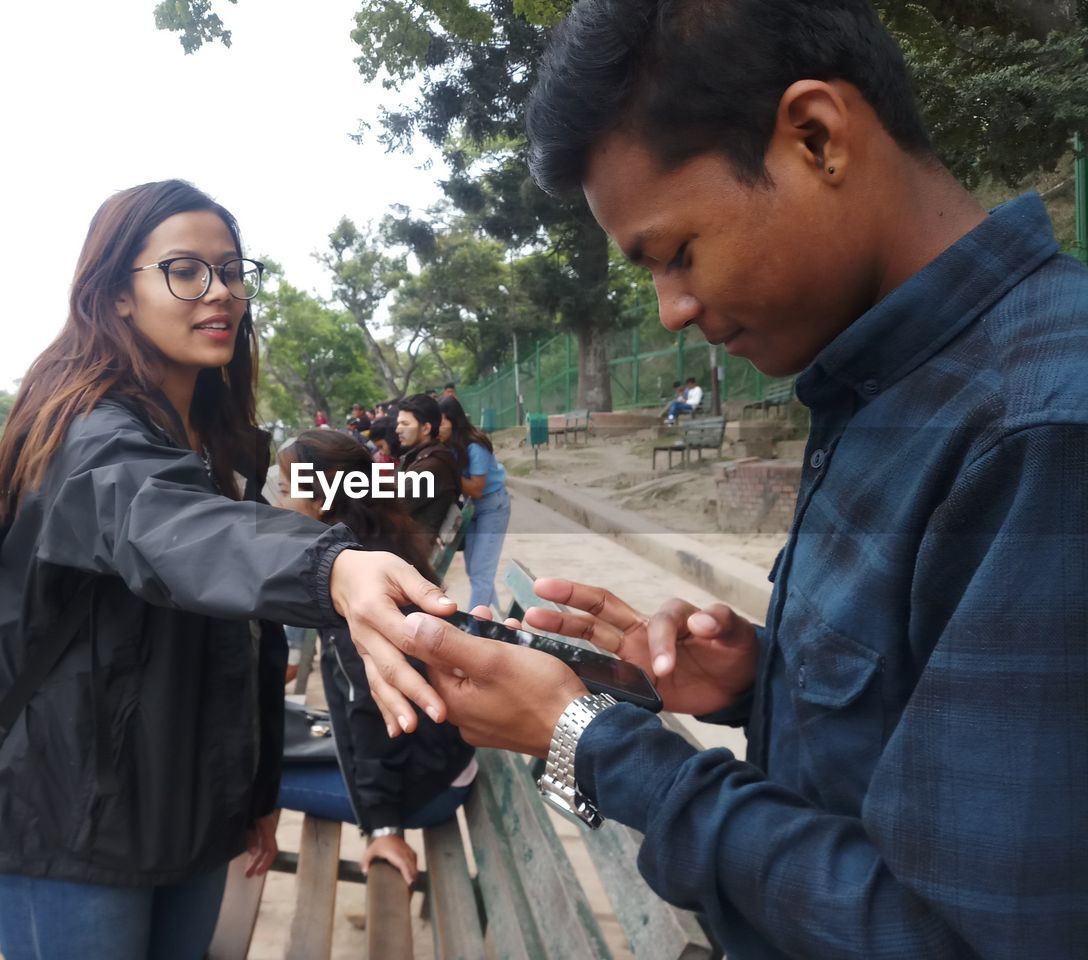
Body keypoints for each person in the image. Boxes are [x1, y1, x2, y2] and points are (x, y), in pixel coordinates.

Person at [387, 2, 1088, 957]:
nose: (670, 310)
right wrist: (763, 687)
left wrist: (584, 738)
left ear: (816, 137)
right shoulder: (880, 386)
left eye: (676, 254)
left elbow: (955, 938)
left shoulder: (1041, 433)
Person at [0, 180, 456, 959]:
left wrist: (253, 792)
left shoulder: (214, 439)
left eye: (231, 269)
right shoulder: (90, 431)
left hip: (190, 809)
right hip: (70, 819)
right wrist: (334, 565)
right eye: (185, 270)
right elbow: (173, 532)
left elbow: (239, 636)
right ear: (116, 294)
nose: (220, 291)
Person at [274, 431, 476, 884]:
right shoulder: (381, 547)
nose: (280, 501)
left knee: (244, 781)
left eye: (287, 488)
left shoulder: (359, 594)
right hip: (439, 757)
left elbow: (377, 714)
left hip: (425, 784)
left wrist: (384, 826)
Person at [438, 396, 510, 611]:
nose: (437, 428)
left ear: (454, 421)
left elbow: (477, 489)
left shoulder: (474, 446)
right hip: (472, 509)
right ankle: (497, 623)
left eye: (442, 423)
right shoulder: (449, 446)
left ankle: (477, 629)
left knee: (481, 572)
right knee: (476, 571)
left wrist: (447, 468)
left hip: (492, 508)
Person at [393, 394, 462, 541]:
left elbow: (390, 506)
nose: (398, 429)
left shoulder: (429, 467)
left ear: (425, 428)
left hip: (413, 551)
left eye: (405, 424)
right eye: (398, 423)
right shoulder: (425, 457)